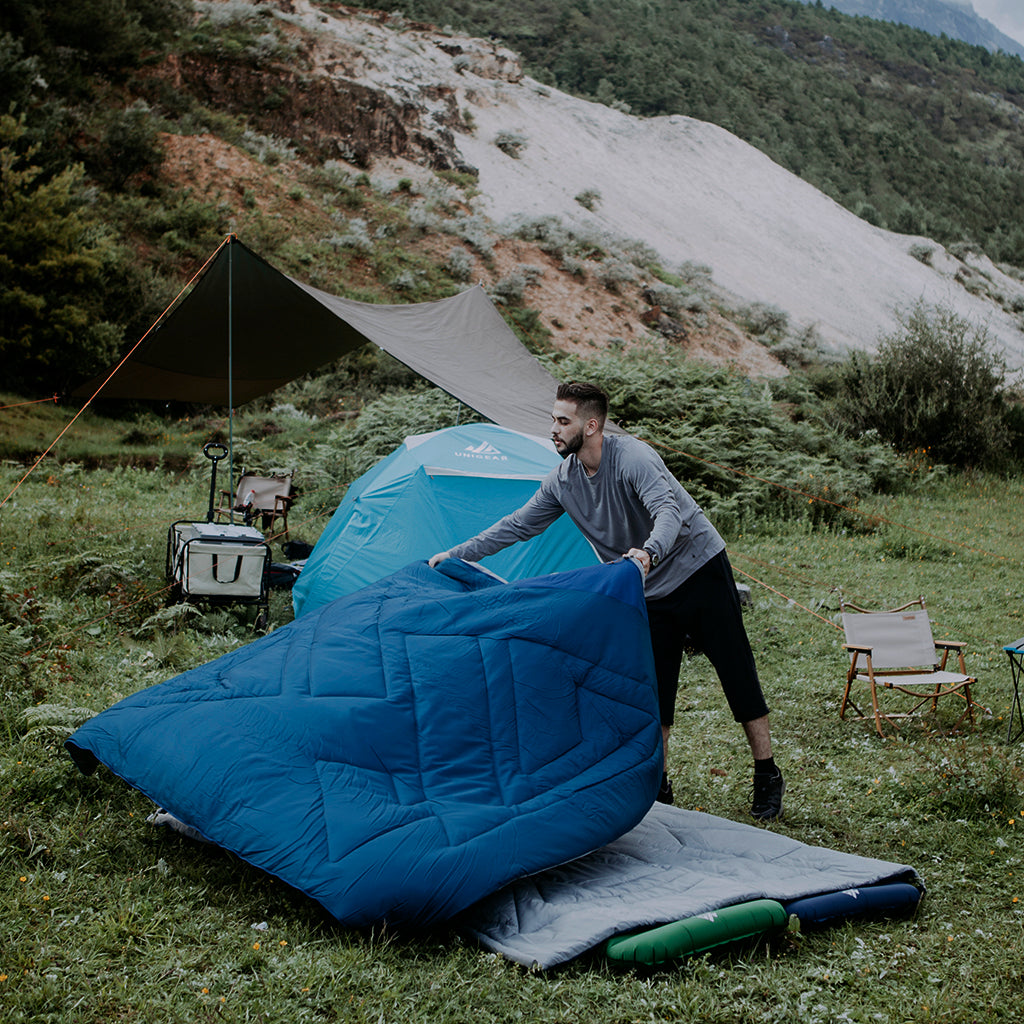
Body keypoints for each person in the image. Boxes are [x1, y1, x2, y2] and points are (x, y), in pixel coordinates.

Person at [428, 382, 784, 821]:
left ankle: (766, 773)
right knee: (656, 688)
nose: (553, 430)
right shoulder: (563, 480)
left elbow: (668, 511)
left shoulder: (632, 458)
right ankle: (660, 781)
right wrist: (457, 554)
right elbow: (518, 525)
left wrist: (648, 552)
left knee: (736, 671)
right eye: (553, 420)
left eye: (563, 421)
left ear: (591, 425)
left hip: (697, 567)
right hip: (647, 586)